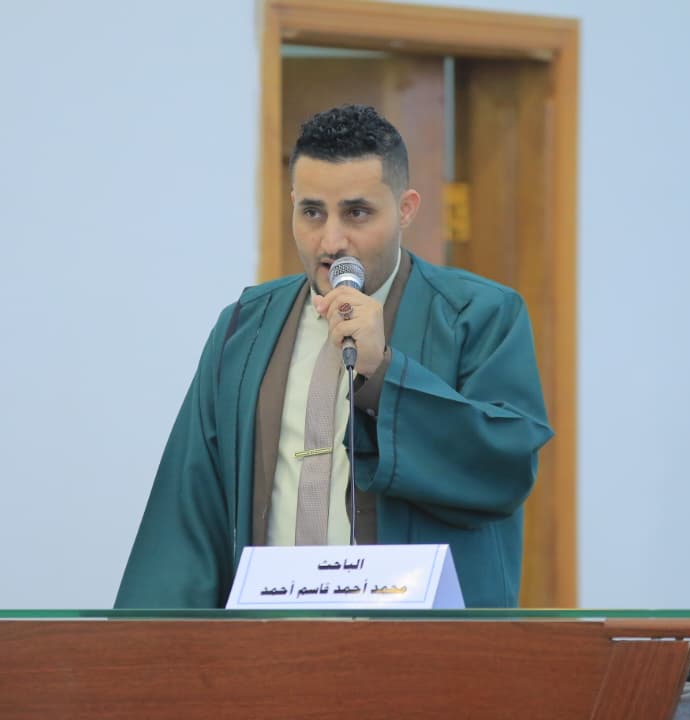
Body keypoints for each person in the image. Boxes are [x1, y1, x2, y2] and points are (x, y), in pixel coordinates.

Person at [116, 104, 552, 608]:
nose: (331, 241)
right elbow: (189, 510)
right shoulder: (243, 328)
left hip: (416, 644)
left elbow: (504, 470)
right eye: (312, 212)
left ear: (406, 209)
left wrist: (382, 374)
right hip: (272, 637)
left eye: (357, 213)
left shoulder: (478, 315)